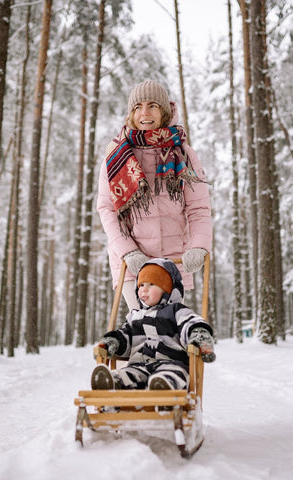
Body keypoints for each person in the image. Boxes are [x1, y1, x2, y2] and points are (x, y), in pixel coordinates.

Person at [96, 79, 212, 310]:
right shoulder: (116, 155)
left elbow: (198, 208)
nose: (144, 113)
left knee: (169, 332)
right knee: (145, 328)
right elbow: (108, 210)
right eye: (137, 107)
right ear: (131, 113)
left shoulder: (184, 154)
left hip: (172, 262)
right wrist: (128, 252)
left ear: (165, 111)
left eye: (153, 105)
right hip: (132, 263)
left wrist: (198, 246)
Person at [91, 258, 216, 390]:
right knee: (128, 374)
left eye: (151, 284)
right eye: (141, 285)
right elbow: (125, 336)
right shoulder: (135, 316)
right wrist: (113, 341)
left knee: (173, 375)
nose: (144, 290)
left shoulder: (176, 311)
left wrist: (198, 334)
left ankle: (164, 388)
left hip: (171, 363)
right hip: (139, 366)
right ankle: (112, 384)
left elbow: (190, 323)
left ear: (168, 289)